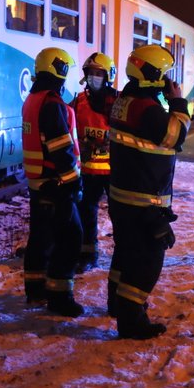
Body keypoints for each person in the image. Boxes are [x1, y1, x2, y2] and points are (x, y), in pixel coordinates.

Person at [107, 45, 191, 339]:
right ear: (154, 74)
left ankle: (116, 305)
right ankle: (132, 321)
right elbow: (176, 136)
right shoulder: (148, 110)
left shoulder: (124, 101)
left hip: (122, 195)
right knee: (147, 260)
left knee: (125, 254)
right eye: (166, 74)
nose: (169, 80)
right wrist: (178, 102)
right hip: (143, 200)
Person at [22, 47, 85, 316]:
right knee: (71, 239)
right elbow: (61, 148)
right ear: (59, 70)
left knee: (40, 239)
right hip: (56, 184)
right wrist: (72, 183)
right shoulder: (53, 104)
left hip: (38, 182)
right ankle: (60, 298)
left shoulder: (33, 98)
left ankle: (35, 291)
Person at [69, 52, 120, 272]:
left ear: (108, 76)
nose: (94, 77)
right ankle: (87, 255)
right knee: (86, 214)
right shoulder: (78, 101)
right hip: (88, 171)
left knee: (119, 215)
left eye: (99, 73)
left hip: (113, 171)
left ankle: (123, 254)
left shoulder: (118, 102)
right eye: (91, 73)